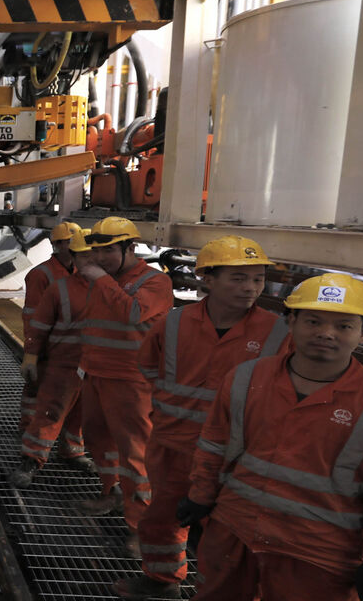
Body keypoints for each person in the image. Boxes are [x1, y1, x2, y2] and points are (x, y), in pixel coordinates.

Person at [180, 273, 363, 601]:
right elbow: (214, 446)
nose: (326, 333)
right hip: (234, 533)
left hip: (318, 556)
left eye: (343, 326)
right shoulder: (246, 378)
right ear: (291, 322)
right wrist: (200, 496)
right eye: (313, 321)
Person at [114, 236, 290, 600]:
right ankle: (161, 580)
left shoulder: (277, 332)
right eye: (238, 279)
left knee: (228, 535)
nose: (251, 288)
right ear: (207, 279)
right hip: (174, 444)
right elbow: (147, 364)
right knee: (162, 517)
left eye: (257, 279)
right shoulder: (175, 323)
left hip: (235, 456)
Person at [73, 217, 173, 553]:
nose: (100, 258)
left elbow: (132, 314)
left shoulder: (155, 282)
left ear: (131, 248)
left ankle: (140, 527)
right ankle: (110, 494)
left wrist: (100, 279)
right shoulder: (104, 281)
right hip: (95, 374)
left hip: (131, 381)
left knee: (135, 455)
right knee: (99, 441)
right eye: (97, 251)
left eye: (109, 250)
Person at [10, 227, 96, 487]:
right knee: (50, 409)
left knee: (81, 411)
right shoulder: (53, 282)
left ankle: (72, 450)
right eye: (79, 254)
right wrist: (32, 356)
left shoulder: (106, 286)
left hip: (93, 363)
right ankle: (31, 459)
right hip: (62, 360)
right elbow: (35, 320)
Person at [19, 221, 82, 430]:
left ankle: (69, 448)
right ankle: (29, 431)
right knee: (36, 391)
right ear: (58, 245)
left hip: (71, 350)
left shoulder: (79, 272)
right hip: (47, 348)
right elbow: (31, 316)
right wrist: (32, 353)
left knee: (72, 398)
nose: (75, 247)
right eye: (70, 242)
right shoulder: (41, 274)